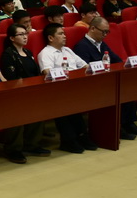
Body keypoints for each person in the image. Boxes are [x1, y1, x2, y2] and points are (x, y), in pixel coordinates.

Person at [73, 16, 137, 139]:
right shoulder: (82, 46)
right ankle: (119, 127)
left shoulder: (101, 44)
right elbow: (84, 70)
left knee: (127, 87)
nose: (105, 35)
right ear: (92, 28)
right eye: (103, 32)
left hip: (107, 80)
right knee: (118, 91)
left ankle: (129, 124)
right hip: (93, 84)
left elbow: (117, 60)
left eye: (107, 32)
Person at [37, 24, 96, 153]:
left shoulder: (67, 50)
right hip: (58, 90)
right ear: (51, 38)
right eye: (60, 34)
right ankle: (69, 140)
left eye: (64, 33)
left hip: (75, 87)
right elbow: (47, 73)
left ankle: (82, 136)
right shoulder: (45, 53)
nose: (64, 36)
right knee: (65, 104)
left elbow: (84, 66)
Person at [0, 24, 50, 163]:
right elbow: (11, 78)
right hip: (17, 92)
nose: (25, 36)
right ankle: (13, 149)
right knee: (18, 112)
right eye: (20, 34)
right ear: (12, 38)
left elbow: (36, 73)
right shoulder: (8, 55)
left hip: (32, 90)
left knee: (39, 108)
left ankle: (32, 145)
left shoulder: (28, 52)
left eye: (25, 33)